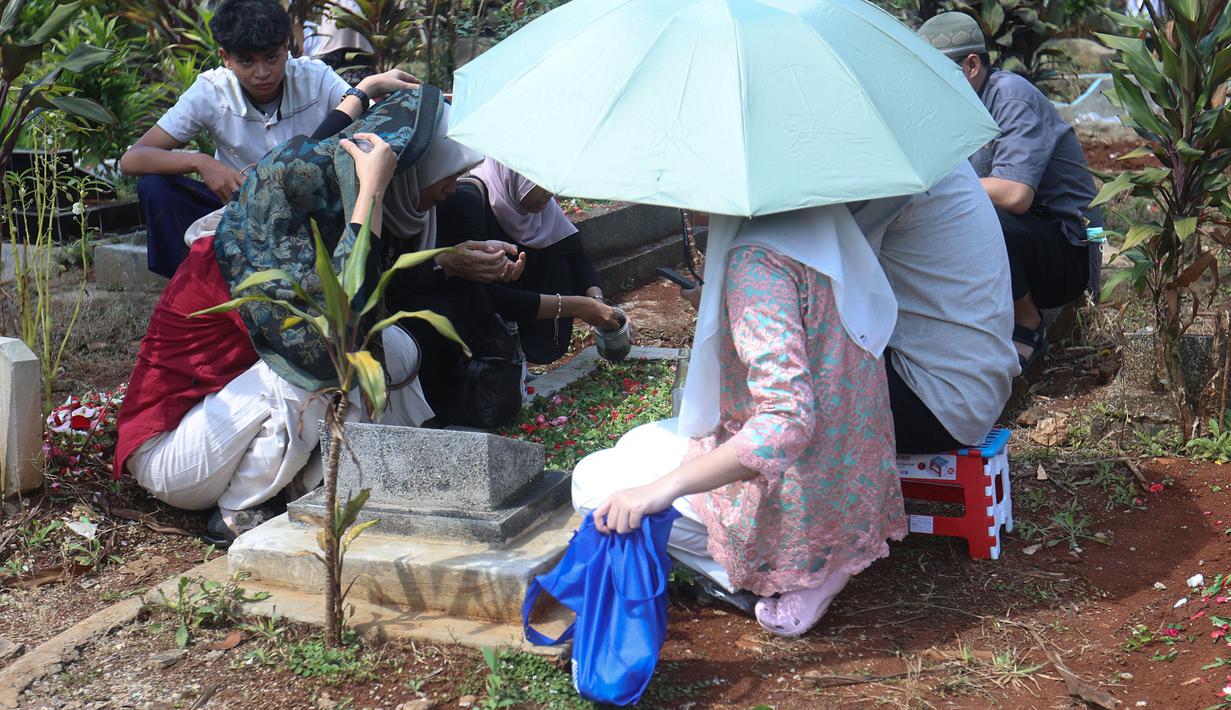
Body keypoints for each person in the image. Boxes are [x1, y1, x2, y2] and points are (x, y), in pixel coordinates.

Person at [114, 86, 496, 545]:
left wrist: (362, 93)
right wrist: (371, 190)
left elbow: (317, 152)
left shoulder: (297, 205)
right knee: (333, 358)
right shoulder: (263, 248)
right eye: (448, 172)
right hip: (174, 454)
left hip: (219, 422)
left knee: (391, 349)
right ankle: (240, 508)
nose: (453, 186)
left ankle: (309, 483)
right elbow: (337, 329)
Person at [572, 205, 907, 638]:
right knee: (636, 443)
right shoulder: (820, 224)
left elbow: (786, 421)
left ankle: (773, 576)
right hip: (845, 477)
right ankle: (820, 560)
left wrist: (661, 489)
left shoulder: (756, 261)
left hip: (800, 496)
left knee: (592, 482)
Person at [120, 0, 364, 278]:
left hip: (309, 211)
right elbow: (132, 159)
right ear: (226, 57)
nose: (261, 73)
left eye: (271, 57)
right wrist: (200, 162)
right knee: (155, 186)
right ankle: (192, 281)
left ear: (287, 47)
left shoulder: (316, 78)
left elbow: (364, 118)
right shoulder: (211, 92)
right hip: (236, 212)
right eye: (247, 61)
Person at [918, 12, 1102, 370]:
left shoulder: (1011, 98)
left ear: (971, 65)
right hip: (1028, 243)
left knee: (974, 213)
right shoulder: (959, 108)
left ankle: (1028, 321)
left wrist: (937, 185)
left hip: (1068, 250)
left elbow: (1016, 194)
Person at [849, 163, 1020, 454]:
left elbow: (833, 283)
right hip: (973, 392)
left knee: (781, 382)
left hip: (934, 403)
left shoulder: (885, 177)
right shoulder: (930, 156)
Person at [435, 158, 620, 364]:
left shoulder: (544, 207)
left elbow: (574, 256)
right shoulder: (468, 202)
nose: (550, 194)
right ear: (518, 171)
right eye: (542, 182)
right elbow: (487, 297)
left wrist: (596, 301)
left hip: (515, 331)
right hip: (473, 351)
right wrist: (576, 307)